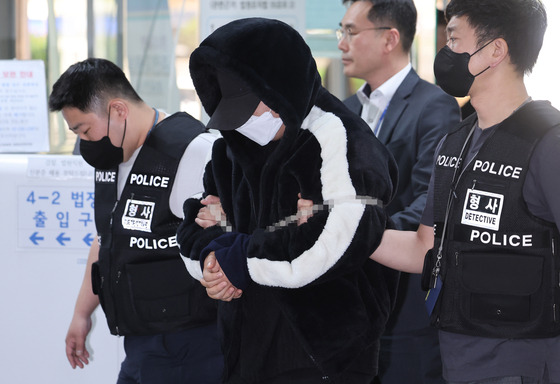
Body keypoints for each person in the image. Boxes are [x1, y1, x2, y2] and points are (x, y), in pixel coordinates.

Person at [176, 17, 400, 384]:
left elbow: (343, 232)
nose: (245, 123)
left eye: (253, 109)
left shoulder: (337, 136)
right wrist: (213, 262)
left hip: (325, 358)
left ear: (280, 90)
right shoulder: (228, 148)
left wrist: (241, 258)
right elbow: (194, 228)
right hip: (246, 351)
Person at [370, 0, 560, 383]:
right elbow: (424, 248)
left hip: (524, 362)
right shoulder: (454, 142)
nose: (446, 53)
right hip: (455, 360)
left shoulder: (548, 143)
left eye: (454, 39)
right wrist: (343, 231)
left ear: (495, 51)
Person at [48, 58, 222, 384]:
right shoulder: (113, 157)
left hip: (193, 345)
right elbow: (107, 238)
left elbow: (230, 240)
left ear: (118, 111)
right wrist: (82, 312)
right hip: (142, 344)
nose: (85, 143)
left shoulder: (195, 151)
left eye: (85, 130)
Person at [338, 1, 460, 383]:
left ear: (390, 38)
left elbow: (432, 200)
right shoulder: (342, 112)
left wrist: (358, 235)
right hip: (347, 303)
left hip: (404, 302)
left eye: (351, 32)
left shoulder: (434, 106)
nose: (342, 43)